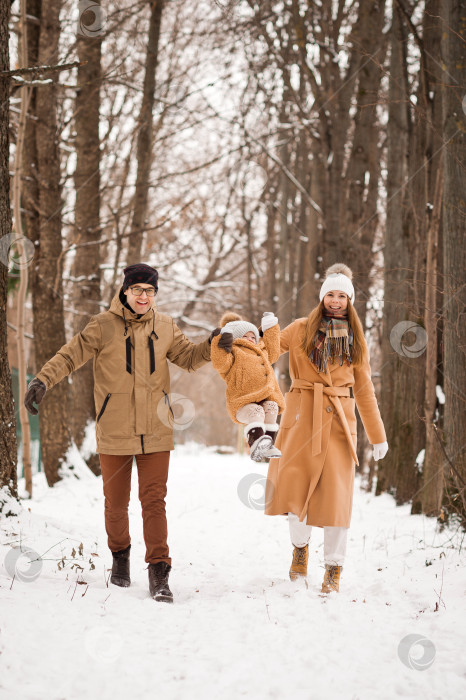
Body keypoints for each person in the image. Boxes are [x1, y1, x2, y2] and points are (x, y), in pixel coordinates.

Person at [24, 263, 219, 604]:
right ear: (125, 291)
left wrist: (214, 343)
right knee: (116, 503)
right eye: (138, 289)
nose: (144, 296)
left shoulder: (166, 326)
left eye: (150, 291)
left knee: (154, 501)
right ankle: (120, 559)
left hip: (156, 430)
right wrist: (43, 379)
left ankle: (159, 572)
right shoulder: (102, 326)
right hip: (114, 428)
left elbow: (189, 358)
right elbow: (70, 356)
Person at [264, 263, 388, 594]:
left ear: (349, 301)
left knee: (336, 499)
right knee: (296, 492)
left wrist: (377, 435)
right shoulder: (302, 328)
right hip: (302, 419)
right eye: (330, 294)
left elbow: (364, 390)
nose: (335, 301)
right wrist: (263, 331)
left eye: (341, 296)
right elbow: (268, 352)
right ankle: (300, 551)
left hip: (338, 425)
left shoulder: (357, 340)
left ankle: (333, 569)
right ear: (322, 298)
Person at [211, 311, 285, 461]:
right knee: (256, 411)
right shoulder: (233, 352)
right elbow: (220, 363)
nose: (250, 339)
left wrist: (270, 328)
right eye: (245, 336)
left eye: (253, 337)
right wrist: (220, 342)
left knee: (272, 407)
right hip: (242, 402)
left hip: (265, 397)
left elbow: (274, 351)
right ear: (237, 338)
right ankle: (255, 443)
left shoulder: (262, 352)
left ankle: (268, 444)